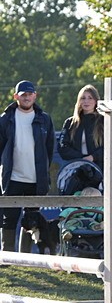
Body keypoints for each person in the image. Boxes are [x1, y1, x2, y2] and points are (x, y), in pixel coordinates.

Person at [0, 80, 55, 252]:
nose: (27, 97)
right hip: (13, 178)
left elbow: (49, 149)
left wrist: (44, 172)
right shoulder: (5, 119)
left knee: (32, 220)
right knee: (8, 219)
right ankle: (7, 257)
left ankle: (25, 258)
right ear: (16, 96)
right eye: (23, 94)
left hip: (36, 179)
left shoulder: (44, 119)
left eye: (30, 94)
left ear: (35, 96)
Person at [60, 84, 105, 169]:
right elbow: (63, 147)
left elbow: (109, 146)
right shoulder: (70, 123)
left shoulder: (103, 121)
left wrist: (93, 157)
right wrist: (81, 158)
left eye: (90, 98)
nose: (86, 101)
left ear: (96, 101)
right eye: (83, 98)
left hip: (99, 168)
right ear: (79, 101)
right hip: (76, 168)